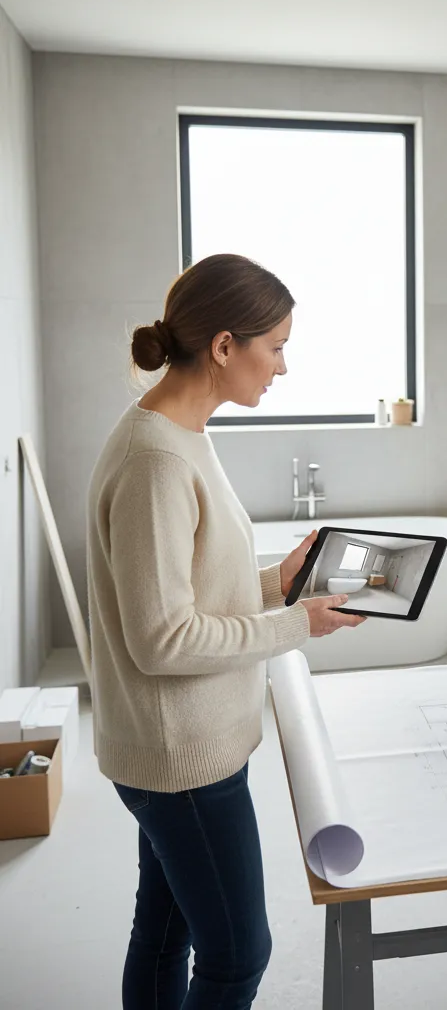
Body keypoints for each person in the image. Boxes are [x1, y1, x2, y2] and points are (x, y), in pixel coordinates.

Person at [85, 253, 366, 1010]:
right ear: (222, 346)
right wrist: (292, 624)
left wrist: (280, 579)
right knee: (239, 953)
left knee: (167, 928)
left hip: (176, 749)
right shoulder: (157, 460)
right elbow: (162, 638)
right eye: (274, 346)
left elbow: (186, 587)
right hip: (182, 759)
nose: (282, 365)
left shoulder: (180, 436)